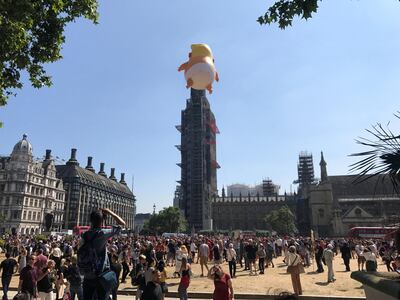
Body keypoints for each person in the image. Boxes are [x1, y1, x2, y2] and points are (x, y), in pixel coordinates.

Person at [79, 208, 126, 300]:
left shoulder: (84, 235)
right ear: (102, 221)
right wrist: (110, 212)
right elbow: (122, 224)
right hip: (101, 275)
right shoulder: (103, 234)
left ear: (90, 221)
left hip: (88, 274)